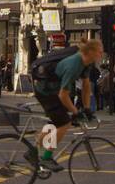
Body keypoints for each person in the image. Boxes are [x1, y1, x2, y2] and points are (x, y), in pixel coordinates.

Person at [34, 39, 103, 171]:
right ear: (91, 52)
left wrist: (87, 108)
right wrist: (76, 112)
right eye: (99, 52)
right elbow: (63, 95)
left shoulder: (86, 63)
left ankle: (33, 150)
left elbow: (86, 86)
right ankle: (46, 158)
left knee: (57, 122)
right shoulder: (74, 64)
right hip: (45, 90)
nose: (101, 54)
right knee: (65, 123)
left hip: (54, 89)